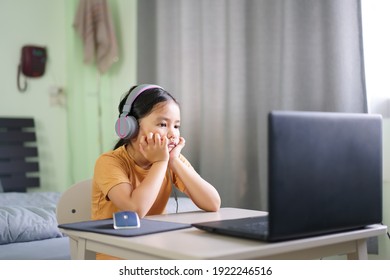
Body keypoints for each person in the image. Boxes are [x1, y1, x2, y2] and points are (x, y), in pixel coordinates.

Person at [91, 84, 221, 259]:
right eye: (162, 124)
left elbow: (213, 203)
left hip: (155, 250)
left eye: (176, 126)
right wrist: (161, 162)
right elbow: (135, 209)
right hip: (117, 254)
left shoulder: (170, 159)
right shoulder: (109, 163)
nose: (172, 134)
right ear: (131, 128)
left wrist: (173, 160)